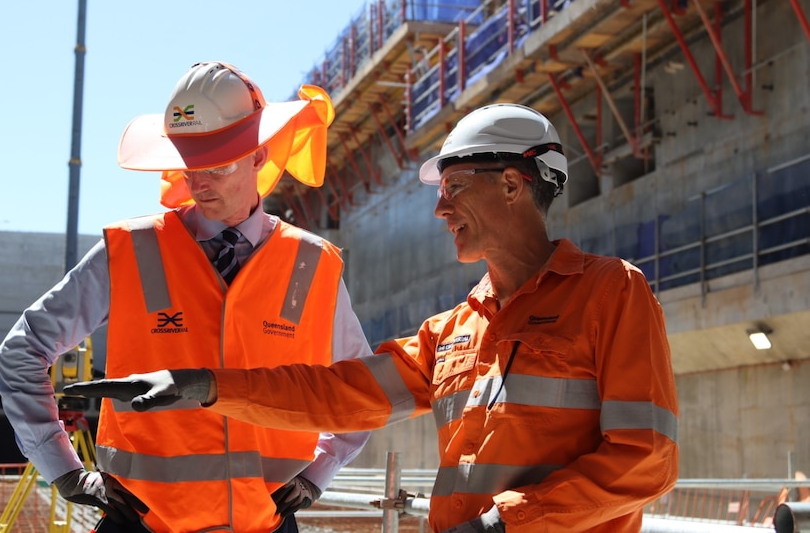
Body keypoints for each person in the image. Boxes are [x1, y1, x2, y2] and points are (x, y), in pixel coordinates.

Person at [66, 104, 680, 533]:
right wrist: (205, 387)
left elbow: (648, 458)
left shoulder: (611, 293)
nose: (440, 207)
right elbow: (337, 392)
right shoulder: (455, 330)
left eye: (456, 185)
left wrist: (503, 524)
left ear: (515, 185)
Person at [0, 61, 373, 533]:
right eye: (188, 163)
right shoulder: (131, 251)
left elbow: (361, 384)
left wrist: (321, 469)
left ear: (259, 155)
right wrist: (63, 468)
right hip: (142, 524)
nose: (197, 182)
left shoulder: (312, 265)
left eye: (216, 163)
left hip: (266, 525)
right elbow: (20, 351)